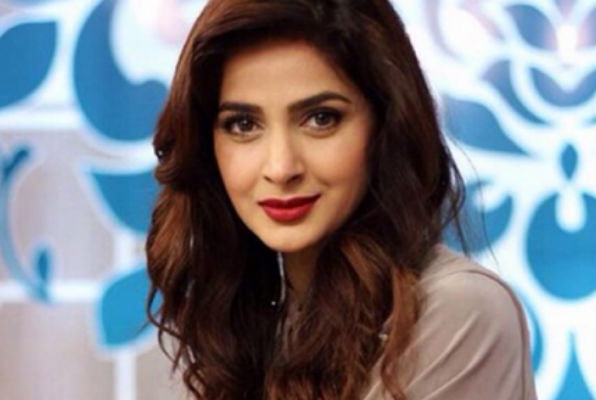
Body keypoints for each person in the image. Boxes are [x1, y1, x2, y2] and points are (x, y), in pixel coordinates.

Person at [145, 0, 537, 399]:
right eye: (243, 124)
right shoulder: (258, 329)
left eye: (321, 118)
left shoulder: (456, 309)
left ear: (386, 126)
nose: (281, 168)